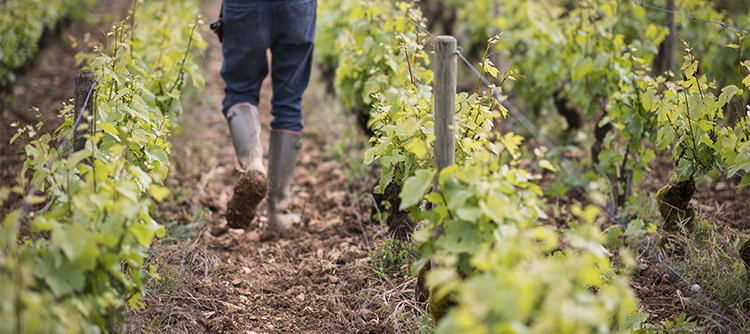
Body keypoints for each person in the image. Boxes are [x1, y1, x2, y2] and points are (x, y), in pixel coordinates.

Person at [218, 0, 317, 231]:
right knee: (289, 102)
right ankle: (278, 213)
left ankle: (253, 165)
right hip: (297, 8)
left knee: (240, 90)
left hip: (246, 7)